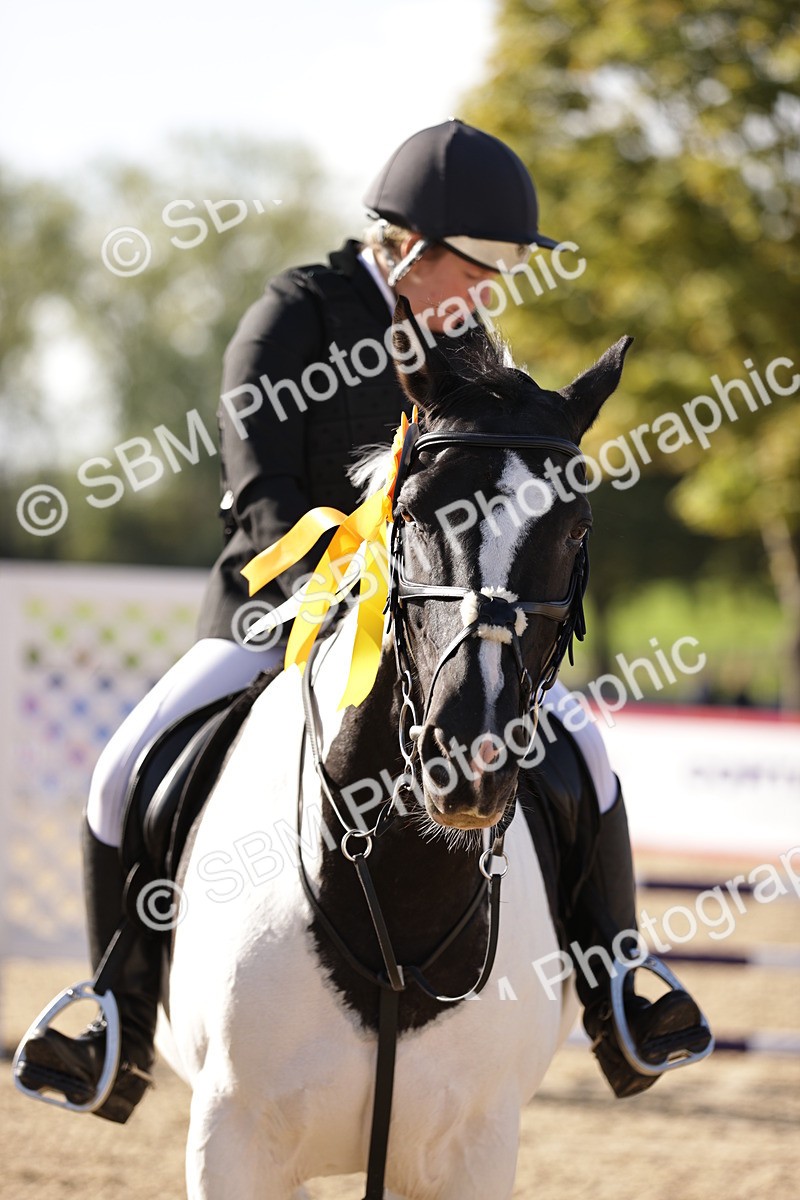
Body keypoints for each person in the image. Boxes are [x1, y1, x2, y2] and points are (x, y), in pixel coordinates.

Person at [16, 119, 709, 1121]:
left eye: (508, 265)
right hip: (279, 609)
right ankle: (111, 1013)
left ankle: (614, 992)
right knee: (126, 764)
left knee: (582, 751)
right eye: (487, 261)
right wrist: (351, 572)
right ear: (409, 246)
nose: (495, 285)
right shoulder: (295, 314)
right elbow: (259, 492)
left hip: (433, 624)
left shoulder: (473, 350)